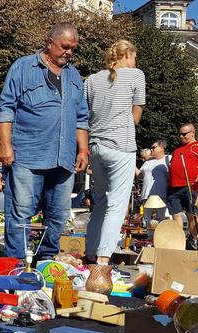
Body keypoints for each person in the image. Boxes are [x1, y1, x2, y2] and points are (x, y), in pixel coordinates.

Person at [0, 22, 89, 260]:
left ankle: (46, 261)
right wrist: (5, 146)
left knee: (57, 215)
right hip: (27, 155)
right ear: (49, 43)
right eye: (65, 47)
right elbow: (6, 108)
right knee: (21, 213)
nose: (69, 52)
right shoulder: (23, 67)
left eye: (73, 49)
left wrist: (83, 150)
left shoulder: (74, 75)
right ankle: (16, 265)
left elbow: (81, 117)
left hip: (64, 159)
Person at [84, 39, 145, 264]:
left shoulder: (91, 80)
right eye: (134, 56)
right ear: (127, 54)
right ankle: (102, 259)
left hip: (96, 145)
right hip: (121, 145)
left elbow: (85, 113)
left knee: (99, 202)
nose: (135, 61)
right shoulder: (136, 74)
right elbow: (136, 114)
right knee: (116, 206)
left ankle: (90, 253)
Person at [167, 123, 198, 249]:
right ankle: (179, 240)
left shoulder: (196, 146)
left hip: (189, 185)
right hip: (173, 186)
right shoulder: (177, 149)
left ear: (192, 133)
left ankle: (195, 239)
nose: (181, 136)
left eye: (184, 134)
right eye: (180, 133)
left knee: (191, 214)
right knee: (176, 214)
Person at [136, 140, 170, 236]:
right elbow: (139, 175)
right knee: (147, 219)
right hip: (146, 194)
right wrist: (132, 164)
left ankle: (161, 237)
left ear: (162, 148)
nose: (151, 149)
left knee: (161, 218)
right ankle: (149, 238)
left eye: (154, 147)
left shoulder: (168, 158)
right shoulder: (148, 162)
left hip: (161, 194)